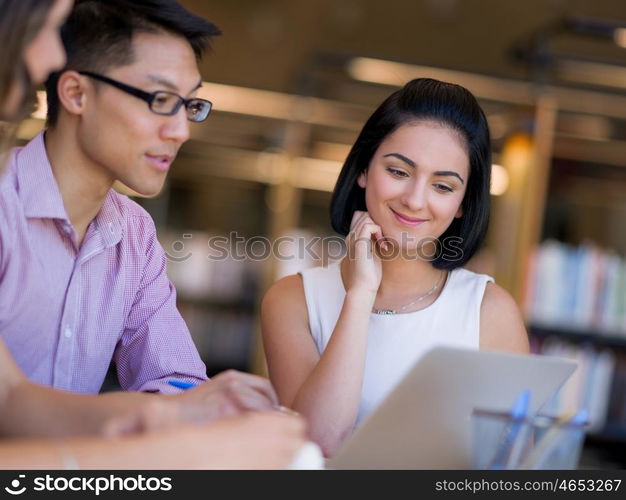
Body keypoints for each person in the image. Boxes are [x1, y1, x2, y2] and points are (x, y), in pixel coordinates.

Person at [0, 0, 308, 469]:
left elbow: (176, 378)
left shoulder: (135, 233)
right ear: (76, 94)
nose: (181, 130)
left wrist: (198, 407)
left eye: (189, 105)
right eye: (160, 100)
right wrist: (170, 421)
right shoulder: (5, 202)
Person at [261, 78, 530, 457]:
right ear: (364, 170)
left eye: (443, 186)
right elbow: (318, 441)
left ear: (464, 204)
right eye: (399, 172)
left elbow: (517, 470)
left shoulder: (490, 312)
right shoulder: (293, 300)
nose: (415, 200)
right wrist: (360, 294)